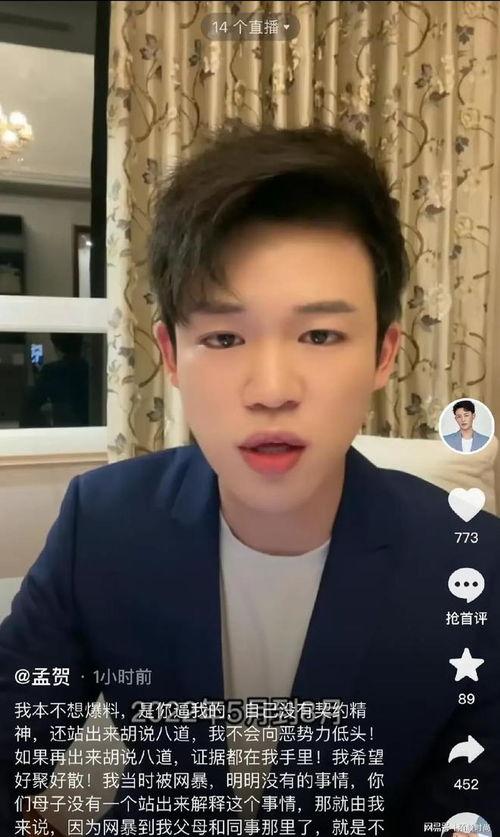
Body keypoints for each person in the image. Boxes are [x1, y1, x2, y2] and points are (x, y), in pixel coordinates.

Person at [1, 124, 500, 836]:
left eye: (320, 335)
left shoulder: (474, 566)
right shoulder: (103, 521)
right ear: (172, 355)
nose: (270, 390)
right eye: (224, 337)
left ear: (384, 354)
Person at [19, 332, 89, 427]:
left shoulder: (52, 370)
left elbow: (30, 406)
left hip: (63, 427)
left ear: (56, 346)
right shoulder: (92, 370)